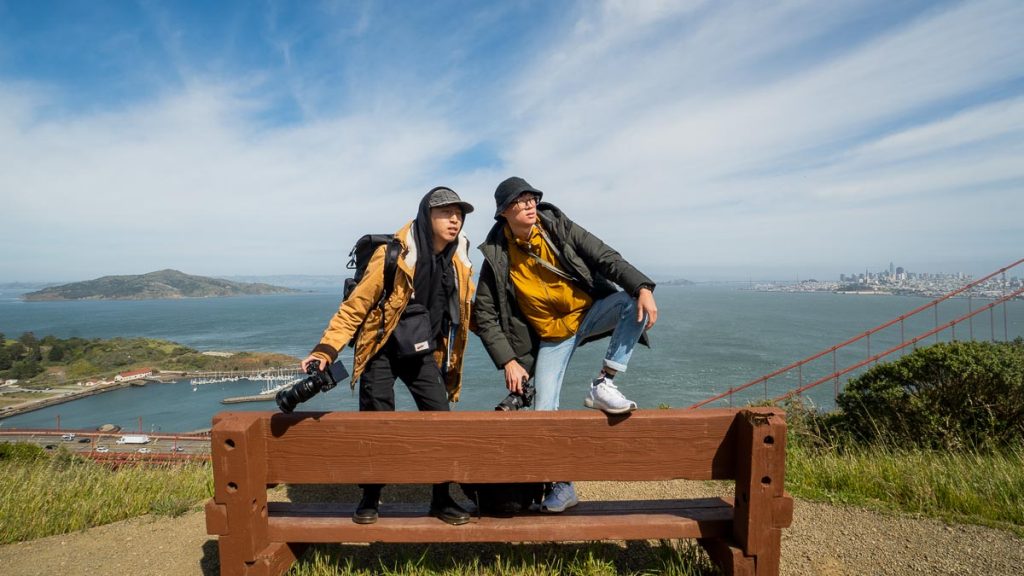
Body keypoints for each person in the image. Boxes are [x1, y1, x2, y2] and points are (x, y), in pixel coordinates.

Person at [473, 176, 658, 513]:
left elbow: (605, 257)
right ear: (503, 213)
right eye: (520, 200)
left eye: (532, 198)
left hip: (587, 314)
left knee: (633, 302)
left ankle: (604, 382)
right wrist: (509, 361)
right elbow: (483, 313)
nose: (529, 204)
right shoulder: (498, 256)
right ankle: (563, 486)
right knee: (544, 414)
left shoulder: (559, 227)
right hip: (551, 338)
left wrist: (643, 285)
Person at [301, 186, 476, 526]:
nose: (454, 218)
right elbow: (355, 307)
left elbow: (466, 311)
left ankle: (441, 498)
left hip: (422, 349)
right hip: (380, 348)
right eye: (445, 212)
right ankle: (370, 495)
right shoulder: (392, 254)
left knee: (440, 421)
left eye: (459, 213)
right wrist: (326, 349)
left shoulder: (459, 260)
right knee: (376, 422)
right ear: (427, 215)